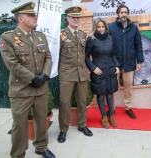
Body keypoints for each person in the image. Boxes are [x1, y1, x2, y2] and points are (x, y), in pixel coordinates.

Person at [0, 1, 55, 158]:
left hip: (41, 88)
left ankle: (41, 147)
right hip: (21, 90)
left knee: (42, 121)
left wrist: (44, 75)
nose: (35, 17)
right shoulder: (8, 38)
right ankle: (18, 154)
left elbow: (48, 58)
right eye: (31, 15)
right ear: (20, 18)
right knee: (20, 125)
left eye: (34, 14)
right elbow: (12, 64)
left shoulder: (40, 36)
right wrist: (32, 78)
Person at [57, 6, 93, 143]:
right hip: (67, 74)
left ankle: (82, 125)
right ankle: (63, 130)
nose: (76, 19)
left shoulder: (83, 34)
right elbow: (56, 56)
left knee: (82, 102)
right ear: (67, 18)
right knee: (64, 103)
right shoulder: (62, 34)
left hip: (82, 74)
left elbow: (84, 56)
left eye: (78, 17)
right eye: (73, 17)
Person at [109, 4, 144, 119]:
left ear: (127, 14)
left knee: (128, 87)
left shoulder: (133, 27)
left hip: (129, 63)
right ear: (118, 14)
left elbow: (138, 45)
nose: (123, 14)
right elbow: (108, 44)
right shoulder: (112, 27)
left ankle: (128, 107)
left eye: (125, 12)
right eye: (121, 12)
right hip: (115, 63)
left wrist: (139, 61)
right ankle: (111, 108)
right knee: (113, 87)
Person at [85, 19, 120, 128]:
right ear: (95, 28)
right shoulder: (91, 40)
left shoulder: (110, 38)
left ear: (105, 27)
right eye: (98, 27)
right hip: (98, 71)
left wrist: (117, 66)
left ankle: (111, 116)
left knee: (110, 94)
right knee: (100, 95)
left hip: (110, 70)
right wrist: (93, 68)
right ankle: (104, 117)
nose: (101, 29)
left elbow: (113, 54)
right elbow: (85, 57)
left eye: (102, 26)